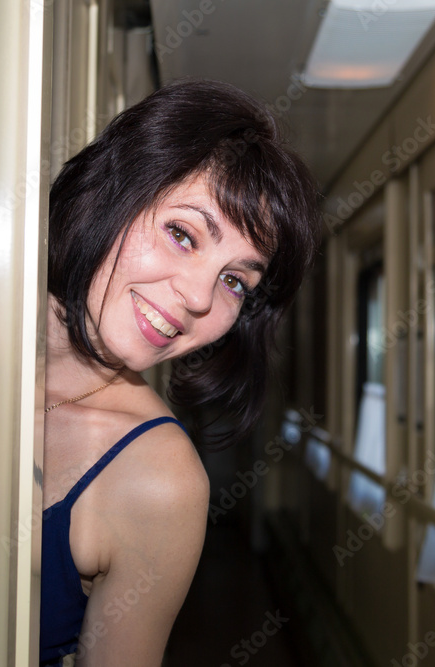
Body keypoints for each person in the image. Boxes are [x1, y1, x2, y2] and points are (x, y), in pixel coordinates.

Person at [38, 79, 320, 666]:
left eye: (236, 280)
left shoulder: (162, 480)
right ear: (109, 192)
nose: (198, 297)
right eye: (182, 234)